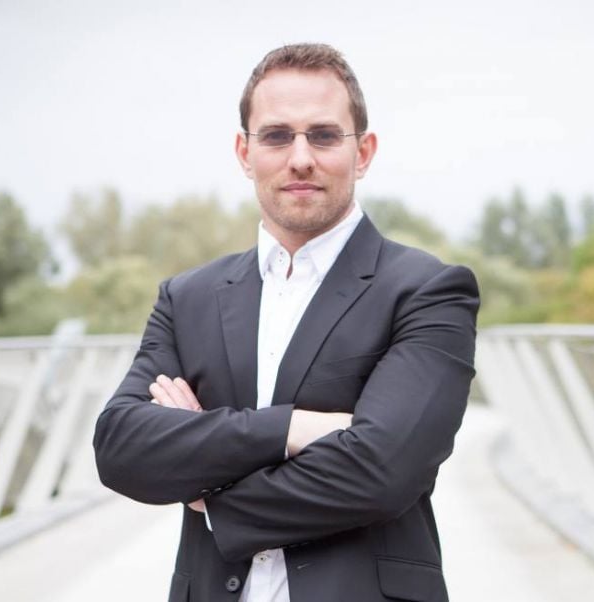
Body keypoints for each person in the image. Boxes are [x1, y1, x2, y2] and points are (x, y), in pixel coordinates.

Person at [93, 43, 479, 602]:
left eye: (323, 135)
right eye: (276, 136)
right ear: (244, 152)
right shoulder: (188, 298)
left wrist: (211, 494)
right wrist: (294, 429)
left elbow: (381, 471)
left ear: (363, 152)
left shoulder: (427, 290)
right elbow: (122, 447)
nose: (300, 158)